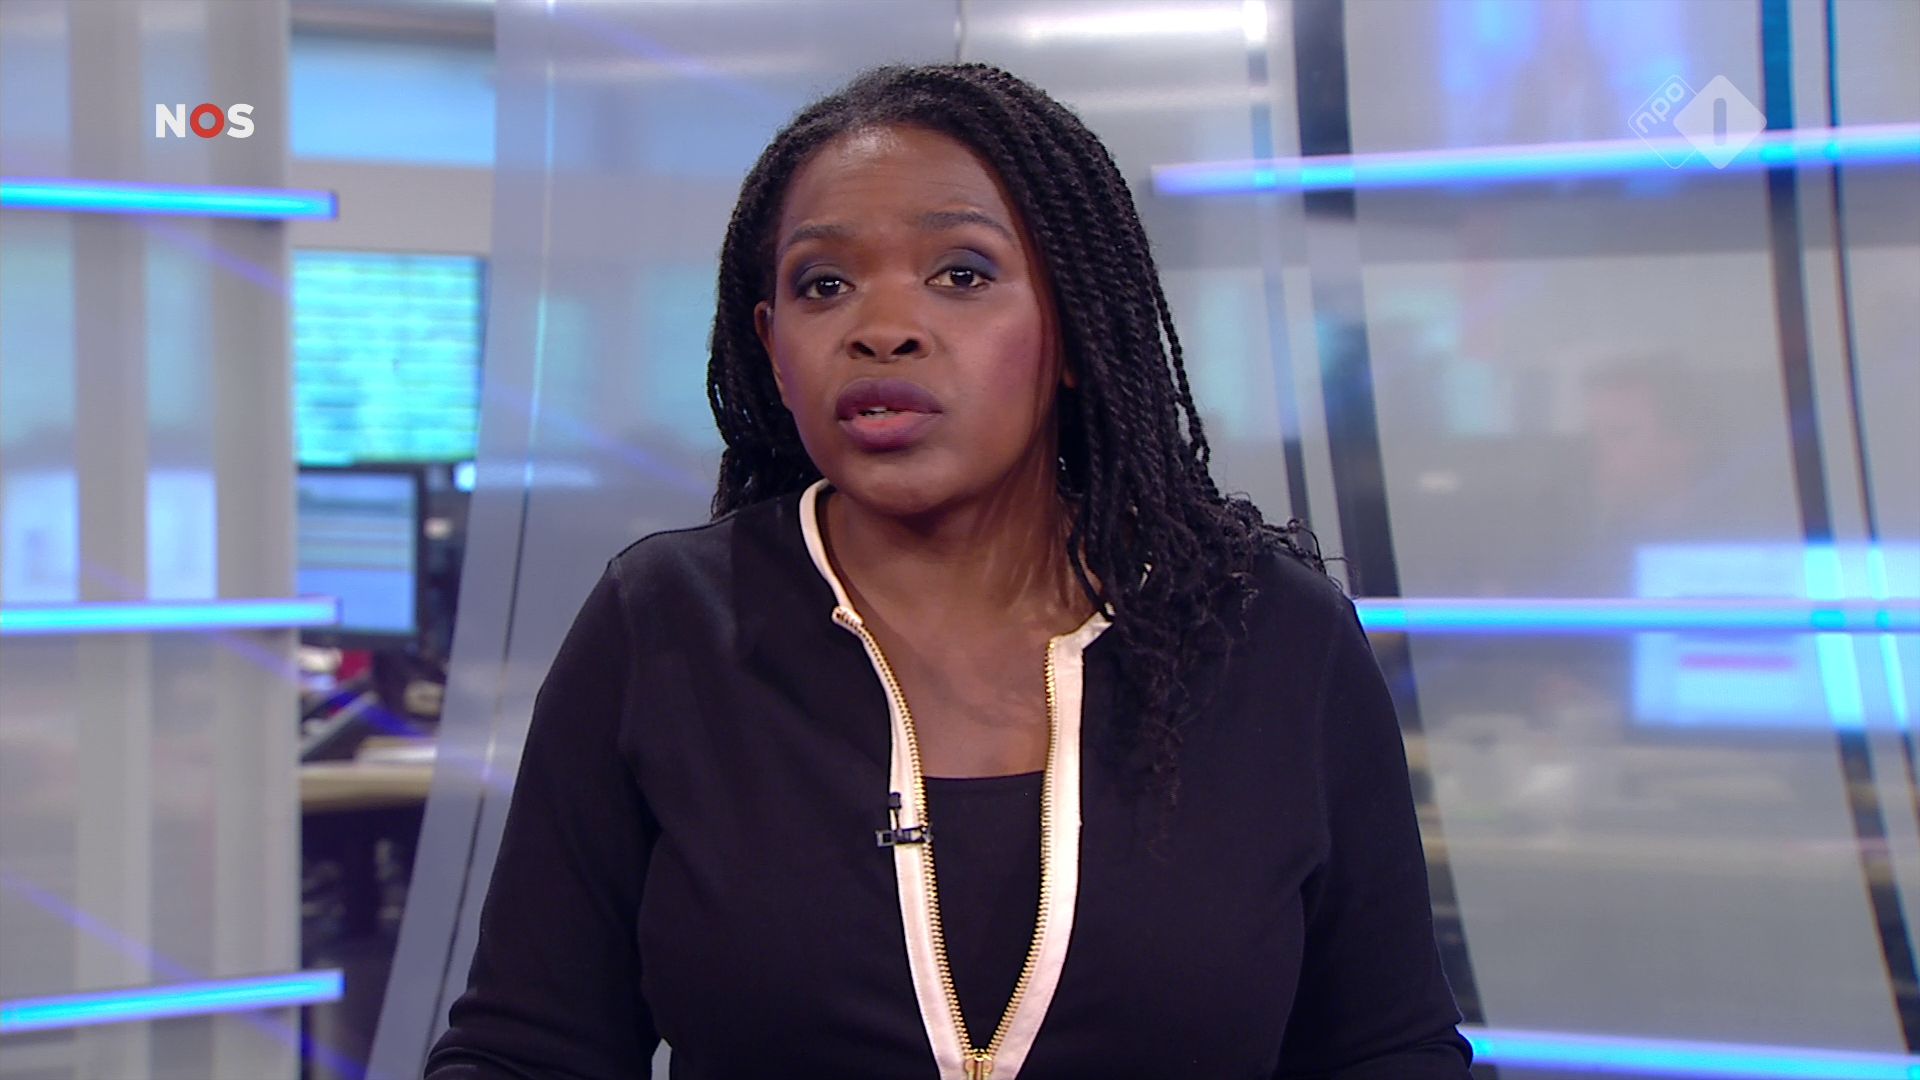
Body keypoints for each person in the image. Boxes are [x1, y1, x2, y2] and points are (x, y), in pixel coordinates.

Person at [426, 63, 1471, 1079]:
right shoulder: (664, 625)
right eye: (823, 285)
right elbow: (526, 1051)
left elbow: (1387, 1050)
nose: (882, 330)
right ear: (774, 349)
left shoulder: (1273, 637)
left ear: (1074, 327)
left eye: (962, 275)